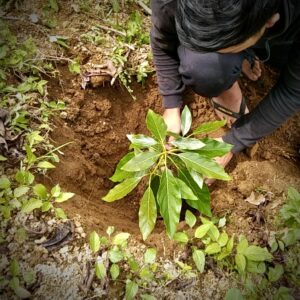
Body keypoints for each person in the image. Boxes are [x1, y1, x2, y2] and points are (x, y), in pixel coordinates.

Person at [150, 0, 300, 168]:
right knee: (205, 67)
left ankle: (243, 55)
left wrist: (232, 141)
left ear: (269, 21)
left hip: (284, 39)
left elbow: (292, 92)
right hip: (252, 31)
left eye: (227, 50)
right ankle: (231, 72)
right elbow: (162, 39)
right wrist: (171, 107)